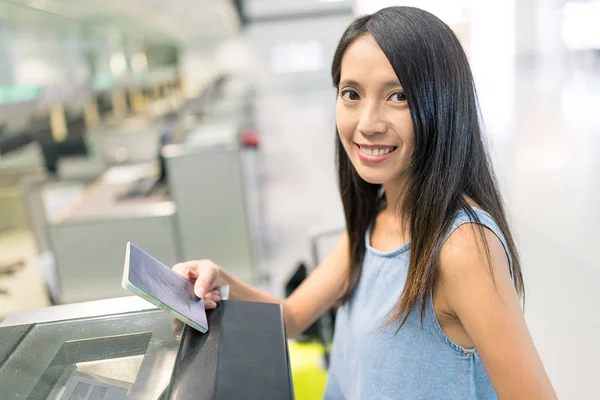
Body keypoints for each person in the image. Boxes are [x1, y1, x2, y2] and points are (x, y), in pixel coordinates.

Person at [172, 6, 556, 399]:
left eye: (399, 96)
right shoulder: (378, 221)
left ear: (444, 104)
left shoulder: (461, 247)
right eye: (352, 94)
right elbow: (289, 319)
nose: (367, 123)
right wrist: (221, 279)